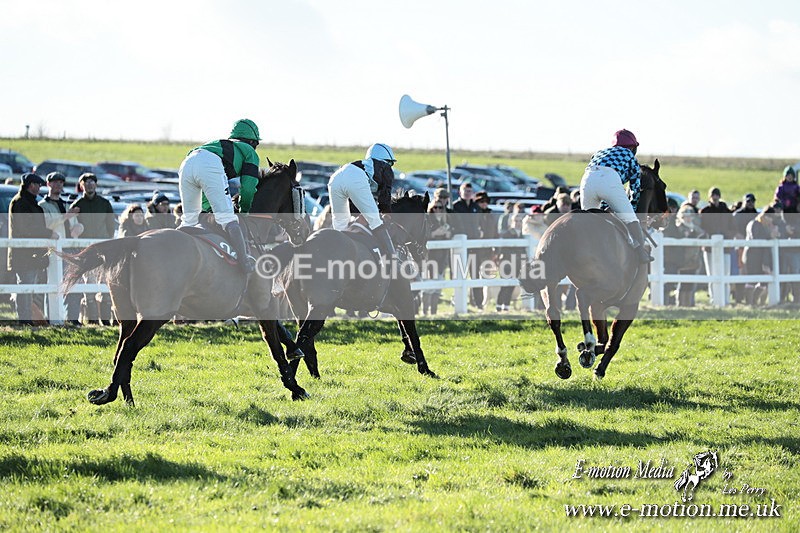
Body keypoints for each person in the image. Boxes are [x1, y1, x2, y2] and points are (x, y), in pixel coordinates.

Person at [178, 118, 261, 273]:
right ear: (252, 142)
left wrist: (210, 208)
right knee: (228, 218)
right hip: (209, 164)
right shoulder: (249, 152)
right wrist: (244, 211)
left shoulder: (217, 145)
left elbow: (207, 194)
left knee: (189, 220)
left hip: (187, 162)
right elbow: (249, 188)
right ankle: (245, 262)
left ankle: (174, 249)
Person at [579, 129, 652, 263]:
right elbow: (635, 185)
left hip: (587, 180)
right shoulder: (629, 155)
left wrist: (606, 206)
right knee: (631, 219)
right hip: (609, 179)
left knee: (587, 221)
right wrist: (632, 209)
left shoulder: (599, 152)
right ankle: (641, 253)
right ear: (633, 147)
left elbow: (599, 184)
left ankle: (581, 249)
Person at [327, 143, 396, 258]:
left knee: (340, 225)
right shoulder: (384, 167)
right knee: (375, 221)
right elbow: (385, 195)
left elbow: (356, 203)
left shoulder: (366, 166)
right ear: (387, 161)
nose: (391, 166)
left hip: (335, 178)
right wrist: (387, 213)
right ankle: (393, 258)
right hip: (354, 177)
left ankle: (337, 255)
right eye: (391, 163)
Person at [70, 173, 117, 325]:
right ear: (81, 185)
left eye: (92, 182)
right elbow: (71, 227)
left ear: (96, 185)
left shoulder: (104, 203)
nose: (89, 185)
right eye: (86, 182)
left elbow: (111, 226)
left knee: (105, 285)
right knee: (88, 286)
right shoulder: (77, 205)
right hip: (86, 253)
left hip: (104, 252)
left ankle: (106, 320)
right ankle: (92, 321)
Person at [7, 173, 53, 325]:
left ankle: (30, 319)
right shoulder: (20, 203)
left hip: (33, 253)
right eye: (37, 184)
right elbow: (26, 228)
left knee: (31, 288)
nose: (39, 187)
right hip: (23, 254)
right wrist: (48, 233)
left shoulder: (30, 203)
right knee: (25, 287)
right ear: (31, 185)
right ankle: (24, 320)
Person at [39, 171, 82, 325]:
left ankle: (73, 318)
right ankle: (51, 318)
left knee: (75, 283)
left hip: (71, 249)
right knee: (53, 284)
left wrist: (78, 227)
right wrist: (66, 217)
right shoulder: (42, 206)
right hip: (54, 251)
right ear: (48, 184)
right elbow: (46, 225)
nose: (58, 185)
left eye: (61, 182)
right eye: (55, 182)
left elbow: (75, 223)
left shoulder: (66, 205)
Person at [421, 199, 452, 315]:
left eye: (440, 207)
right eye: (436, 207)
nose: (438, 210)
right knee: (428, 287)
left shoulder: (445, 220)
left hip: (442, 257)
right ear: (431, 208)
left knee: (437, 287)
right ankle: (424, 312)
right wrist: (434, 234)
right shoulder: (428, 219)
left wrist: (448, 234)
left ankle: (433, 312)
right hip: (430, 258)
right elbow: (422, 235)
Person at [742, 207, 777, 306]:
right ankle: (749, 303)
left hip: (762, 257)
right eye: (769, 218)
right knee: (751, 280)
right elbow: (756, 238)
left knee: (764, 281)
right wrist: (770, 235)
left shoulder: (765, 226)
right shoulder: (754, 224)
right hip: (752, 257)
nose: (770, 221)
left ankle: (754, 301)